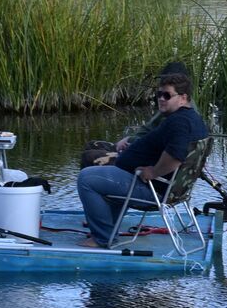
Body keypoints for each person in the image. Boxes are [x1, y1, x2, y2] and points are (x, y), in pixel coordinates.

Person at [75, 71, 209, 248]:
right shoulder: (190, 118)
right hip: (160, 186)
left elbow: (175, 157)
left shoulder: (180, 123)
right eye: (159, 94)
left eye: (167, 95)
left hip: (152, 189)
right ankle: (106, 228)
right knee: (101, 175)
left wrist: (153, 172)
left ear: (183, 98)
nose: (161, 99)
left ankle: (102, 238)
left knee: (86, 178)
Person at [79, 60, 190, 167]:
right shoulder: (174, 106)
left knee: (88, 157)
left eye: (169, 81)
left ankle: (103, 182)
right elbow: (149, 130)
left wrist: (133, 144)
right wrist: (129, 139)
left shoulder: (178, 115)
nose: (162, 85)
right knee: (91, 145)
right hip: (141, 149)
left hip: (143, 159)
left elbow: (160, 144)